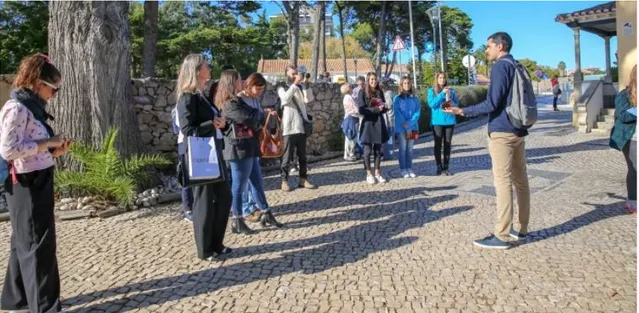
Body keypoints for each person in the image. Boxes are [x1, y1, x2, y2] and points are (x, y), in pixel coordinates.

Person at [444, 32, 530, 249]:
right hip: (519, 129)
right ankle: (521, 228)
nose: (486, 50)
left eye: (489, 46)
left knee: (502, 182)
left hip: (502, 130)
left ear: (499, 46)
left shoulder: (501, 66)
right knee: (521, 181)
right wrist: (490, 81)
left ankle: (501, 235)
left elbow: (491, 104)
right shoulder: (515, 65)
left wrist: (463, 110)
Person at [0, 53, 71, 313]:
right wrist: (48, 144)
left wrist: (54, 150)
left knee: (24, 241)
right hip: (26, 183)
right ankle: (44, 307)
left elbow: (30, 145)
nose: (55, 94)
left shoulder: (31, 107)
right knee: (38, 244)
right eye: (54, 89)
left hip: (35, 177)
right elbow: (9, 149)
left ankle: (17, 299)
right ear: (37, 82)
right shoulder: (17, 108)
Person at [176, 54, 232, 260]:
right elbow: (187, 128)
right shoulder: (187, 97)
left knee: (225, 198)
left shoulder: (202, 95)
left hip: (213, 153)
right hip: (200, 156)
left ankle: (217, 243)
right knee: (204, 202)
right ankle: (204, 248)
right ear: (197, 70)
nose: (209, 69)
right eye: (206, 66)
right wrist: (212, 124)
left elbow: (216, 121)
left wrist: (222, 124)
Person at [237, 73, 284, 227]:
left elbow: (259, 117)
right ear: (249, 85)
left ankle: (255, 206)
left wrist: (267, 114)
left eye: (262, 89)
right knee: (243, 180)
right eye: (258, 88)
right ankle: (245, 209)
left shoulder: (255, 100)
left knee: (255, 179)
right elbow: (247, 118)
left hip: (255, 143)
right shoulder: (239, 99)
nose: (260, 92)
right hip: (244, 143)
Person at [278, 65, 317, 192]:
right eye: (293, 74)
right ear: (287, 74)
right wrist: (295, 83)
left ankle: (303, 179)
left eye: (296, 73)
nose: (296, 76)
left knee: (303, 156)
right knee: (286, 157)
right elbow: (285, 99)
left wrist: (306, 85)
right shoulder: (281, 88)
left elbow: (308, 99)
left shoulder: (299, 87)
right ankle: (284, 181)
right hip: (289, 128)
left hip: (301, 126)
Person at [609, 64, 637, 214]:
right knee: (635, 170)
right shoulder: (624, 94)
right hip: (632, 138)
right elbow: (623, 116)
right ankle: (633, 202)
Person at [357, 72, 389, 184]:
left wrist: (384, 108)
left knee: (378, 151)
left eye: (375, 79)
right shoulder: (362, 92)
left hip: (379, 123)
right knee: (367, 151)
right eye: (371, 79)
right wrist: (376, 110)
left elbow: (382, 107)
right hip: (368, 124)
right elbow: (361, 110)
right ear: (367, 80)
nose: (373, 81)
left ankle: (377, 173)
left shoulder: (380, 92)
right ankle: (368, 174)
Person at [428, 72, 459, 176]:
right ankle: (438, 166)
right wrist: (442, 94)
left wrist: (449, 96)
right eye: (440, 78)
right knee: (438, 144)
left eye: (444, 77)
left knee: (447, 144)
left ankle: (446, 166)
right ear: (437, 79)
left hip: (449, 120)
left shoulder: (451, 91)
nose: (442, 79)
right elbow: (432, 104)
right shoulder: (431, 91)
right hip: (437, 121)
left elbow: (456, 104)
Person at [394, 77, 421, 178]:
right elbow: (397, 112)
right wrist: (404, 124)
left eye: (408, 83)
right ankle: (403, 169)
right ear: (401, 85)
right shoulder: (397, 98)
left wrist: (410, 123)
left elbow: (417, 112)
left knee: (410, 149)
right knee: (403, 148)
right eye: (404, 83)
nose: (406, 85)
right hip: (401, 128)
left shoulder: (415, 98)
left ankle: (409, 168)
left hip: (413, 127)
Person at [171, 106, 194, 222]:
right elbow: (178, 128)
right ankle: (188, 209)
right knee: (186, 176)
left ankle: (192, 207)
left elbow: (175, 129)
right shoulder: (179, 108)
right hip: (184, 143)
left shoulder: (176, 109)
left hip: (188, 142)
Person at [341, 83, 359, 161]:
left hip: (350, 117)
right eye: (350, 87)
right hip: (352, 117)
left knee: (350, 137)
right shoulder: (348, 97)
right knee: (351, 137)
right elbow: (355, 108)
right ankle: (349, 155)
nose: (352, 88)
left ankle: (349, 154)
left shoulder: (347, 97)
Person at [382, 78, 396, 160]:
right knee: (388, 138)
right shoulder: (388, 93)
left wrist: (380, 105)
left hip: (389, 119)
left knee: (389, 138)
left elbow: (389, 105)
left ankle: (389, 155)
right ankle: (387, 154)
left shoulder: (388, 93)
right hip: (387, 118)